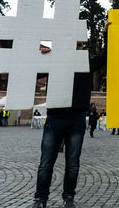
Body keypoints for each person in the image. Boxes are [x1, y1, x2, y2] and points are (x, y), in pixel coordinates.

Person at [32, 34, 107, 208]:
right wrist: (40, 55)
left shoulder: (86, 62)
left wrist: (107, 32)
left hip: (76, 117)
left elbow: (104, 56)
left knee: (72, 163)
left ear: (81, 46)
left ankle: (69, 197)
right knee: (46, 162)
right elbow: (33, 70)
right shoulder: (54, 59)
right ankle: (40, 198)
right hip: (55, 116)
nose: (76, 46)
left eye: (79, 44)